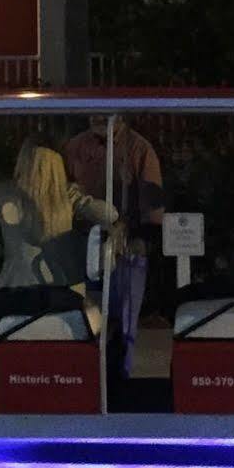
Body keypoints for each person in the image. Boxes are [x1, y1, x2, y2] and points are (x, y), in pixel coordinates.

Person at [64, 117, 165, 378]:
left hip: (125, 251)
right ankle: (85, 380)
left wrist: (132, 232)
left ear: (120, 114)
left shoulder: (140, 150)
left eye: (104, 110)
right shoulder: (75, 147)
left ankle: (120, 383)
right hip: (83, 248)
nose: (97, 116)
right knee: (83, 318)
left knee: (123, 323)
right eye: (92, 110)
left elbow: (154, 211)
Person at [0, 141, 118, 290]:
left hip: (16, 288)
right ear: (58, 165)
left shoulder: (5, 194)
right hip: (64, 289)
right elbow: (110, 214)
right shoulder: (68, 196)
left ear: (22, 162)